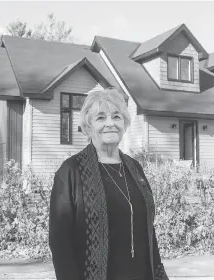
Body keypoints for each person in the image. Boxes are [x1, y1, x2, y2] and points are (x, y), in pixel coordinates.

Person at [49, 88, 169, 280]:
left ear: (125, 123)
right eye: (101, 118)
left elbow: (148, 229)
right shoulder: (70, 171)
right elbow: (60, 242)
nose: (110, 124)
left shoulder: (134, 167)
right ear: (88, 127)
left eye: (116, 116)